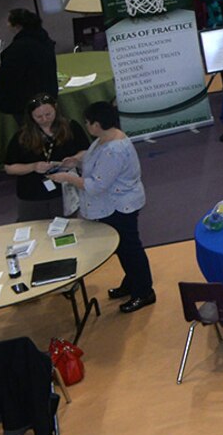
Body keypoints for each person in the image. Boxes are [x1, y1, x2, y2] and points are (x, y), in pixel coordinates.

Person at [49, 102, 152, 312]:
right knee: (123, 248)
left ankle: (144, 291)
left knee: (130, 249)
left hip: (119, 206)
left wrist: (67, 178)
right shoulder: (105, 139)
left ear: (97, 124)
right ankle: (132, 283)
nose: (86, 126)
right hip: (113, 204)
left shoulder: (114, 149)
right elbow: (92, 158)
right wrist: (75, 162)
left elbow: (96, 186)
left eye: (88, 122)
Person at [1, 94, 86, 221]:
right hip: (32, 193)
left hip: (64, 190)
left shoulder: (71, 127)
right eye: (39, 117)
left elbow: (85, 150)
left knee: (68, 226)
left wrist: (75, 159)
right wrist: (32, 167)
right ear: (31, 116)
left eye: (48, 114)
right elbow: (9, 167)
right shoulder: (22, 136)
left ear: (56, 109)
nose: (45, 119)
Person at [0, 8, 57, 127]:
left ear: (17, 25)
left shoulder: (18, 49)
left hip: (26, 99)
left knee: (31, 130)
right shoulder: (42, 38)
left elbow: (10, 76)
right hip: (47, 90)